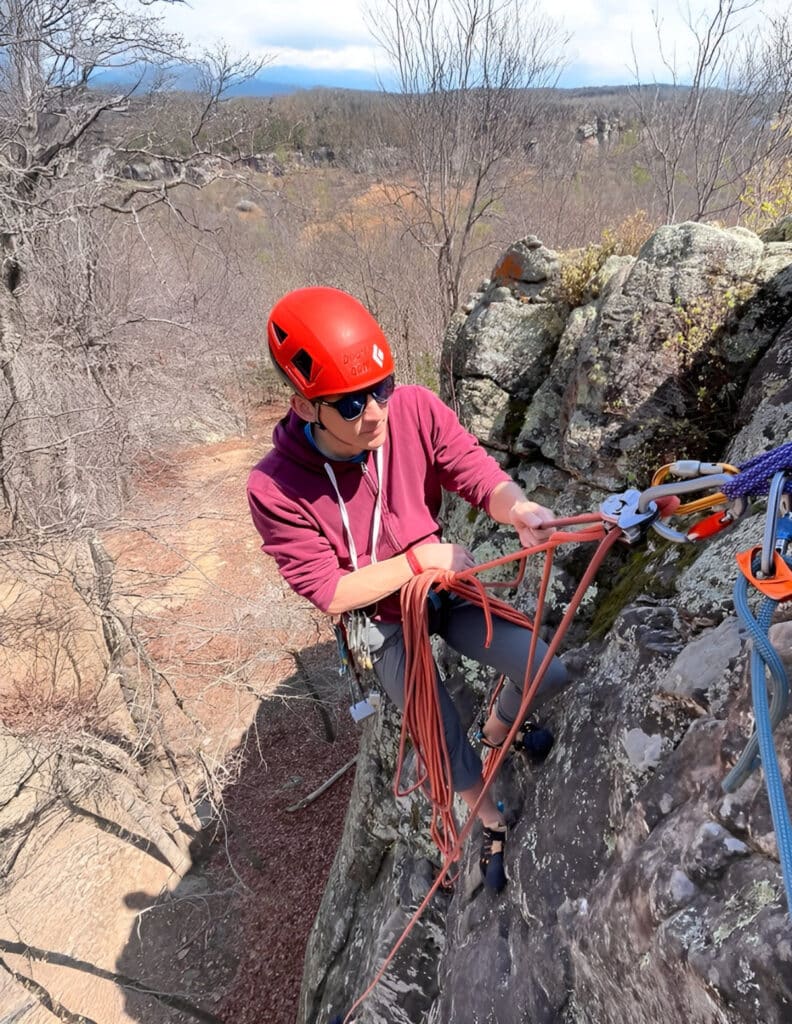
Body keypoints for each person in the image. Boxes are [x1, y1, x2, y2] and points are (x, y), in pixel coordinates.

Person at [247, 286, 570, 891]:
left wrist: (519, 507)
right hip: (384, 621)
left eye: (382, 388)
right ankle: (491, 821)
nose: (374, 412)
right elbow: (330, 590)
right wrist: (419, 560)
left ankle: (502, 729)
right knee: (440, 737)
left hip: (442, 589)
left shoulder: (414, 411)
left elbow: (476, 473)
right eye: (349, 404)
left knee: (545, 668)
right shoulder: (276, 488)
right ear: (303, 403)